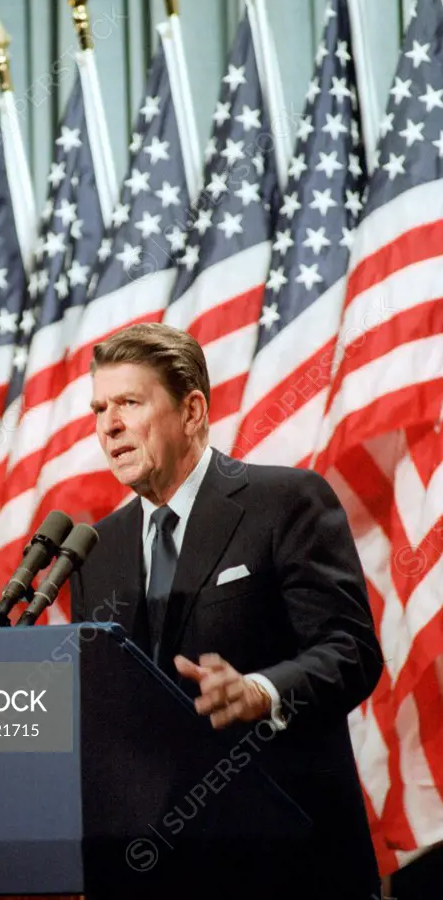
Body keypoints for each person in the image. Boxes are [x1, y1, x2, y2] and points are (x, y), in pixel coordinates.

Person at [71, 322, 384, 900]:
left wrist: (261, 691)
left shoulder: (284, 502)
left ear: (193, 411)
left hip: (288, 867)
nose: (108, 425)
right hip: (154, 874)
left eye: (129, 404)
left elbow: (351, 651)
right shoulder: (96, 551)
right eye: (98, 409)